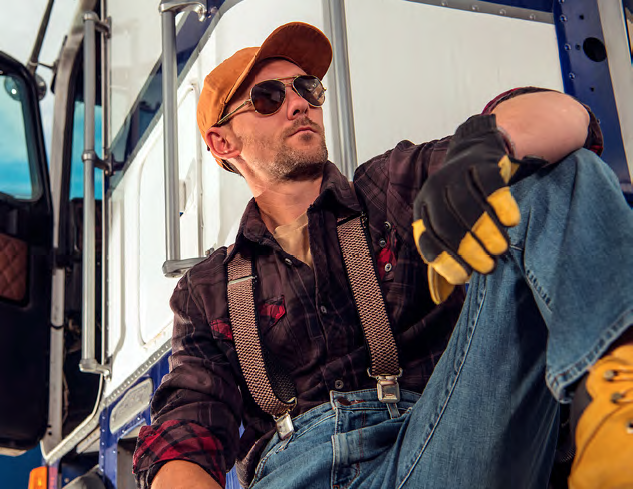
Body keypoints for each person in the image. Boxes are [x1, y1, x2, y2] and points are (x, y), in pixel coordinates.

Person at [132, 22, 633, 489]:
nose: (300, 105)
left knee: (553, 175)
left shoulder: (391, 186)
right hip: (295, 473)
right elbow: (187, 432)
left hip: (438, 446)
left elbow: (567, 119)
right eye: (267, 98)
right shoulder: (205, 291)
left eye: (307, 89)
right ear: (222, 142)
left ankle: (619, 420)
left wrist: (490, 145)